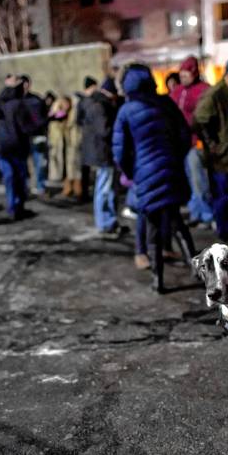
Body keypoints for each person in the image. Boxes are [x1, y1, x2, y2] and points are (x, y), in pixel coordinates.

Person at [113, 63, 195, 293]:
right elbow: (184, 135)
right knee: (177, 220)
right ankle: (195, 266)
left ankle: (157, 280)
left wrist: (132, 173)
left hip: (145, 174)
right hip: (170, 168)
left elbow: (120, 151)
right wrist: (175, 159)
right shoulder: (166, 102)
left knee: (152, 227)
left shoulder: (126, 111)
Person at [193, 55, 228, 240]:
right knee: (224, 200)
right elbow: (199, 120)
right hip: (222, 160)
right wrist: (211, 144)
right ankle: (225, 236)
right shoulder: (215, 95)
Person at [77, 76, 123, 238]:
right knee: (104, 189)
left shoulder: (95, 103)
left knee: (106, 188)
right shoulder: (100, 106)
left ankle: (109, 221)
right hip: (103, 153)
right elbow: (104, 131)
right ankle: (105, 223)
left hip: (101, 152)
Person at [170, 55, 213, 228]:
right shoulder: (177, 91)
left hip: (197, 142)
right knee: (190, 178)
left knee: (199, 179)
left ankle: (206, 214)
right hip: (181, 143)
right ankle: (196, 212)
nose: (183, 76)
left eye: (186, 73)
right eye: (181, 73)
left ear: (194, 72)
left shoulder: (204, 89)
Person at [0, 81, 38, 220]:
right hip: (18, 148)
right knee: (20, 178)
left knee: (9, 179)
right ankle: (19, 207)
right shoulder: (19, 106)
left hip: (3, 148)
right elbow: (27, 126)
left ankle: (12, 206)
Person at [19, 74, 50, 195]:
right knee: (24, 164)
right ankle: (25, 186)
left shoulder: (36, 100)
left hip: (37, 135)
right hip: (22, 138)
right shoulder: (14, 101)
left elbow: (44, 117)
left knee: (40, 162)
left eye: (26, 84)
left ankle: (40, 186)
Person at [47, 96, 81, 200]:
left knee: (74, 168)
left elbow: (75, 129)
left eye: (67, 103)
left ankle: (77, 190)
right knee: (65, 168)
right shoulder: (57, 115)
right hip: (61, 145)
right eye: (63, 104)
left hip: (72, 144)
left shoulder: (74, 115)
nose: (66, 106)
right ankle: (67, 188)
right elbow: (53, 127)